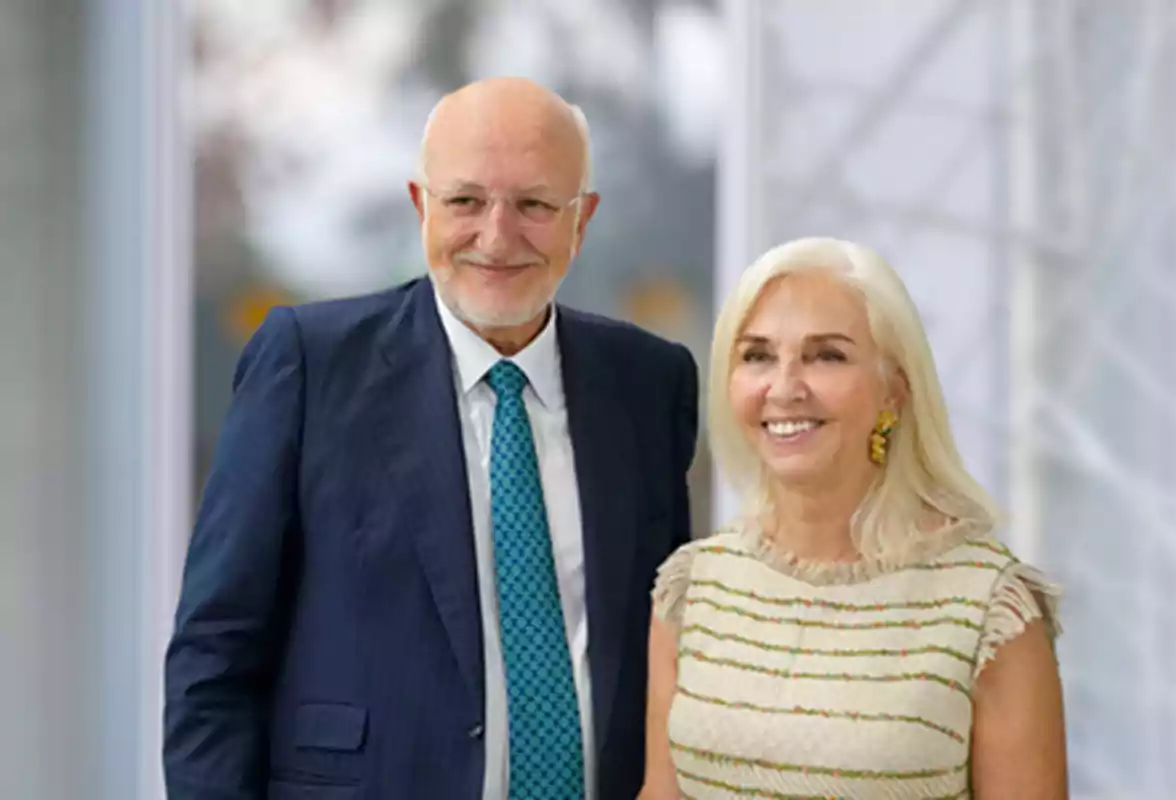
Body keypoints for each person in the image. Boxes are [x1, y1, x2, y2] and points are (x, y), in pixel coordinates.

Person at [164, 77, 699, 800]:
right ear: (422, 206)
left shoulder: (648, 384)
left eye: (535, 205)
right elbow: (215, 655)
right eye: (466, 201)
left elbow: (661, 648)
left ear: (583, 220)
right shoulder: (309, 365)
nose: (497, 235)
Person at [640, 237, 1067, 799]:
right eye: (757, 355)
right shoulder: (694, 587)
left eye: (827, 355)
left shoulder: (989, 608)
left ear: (895, 389)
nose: (785, 388)